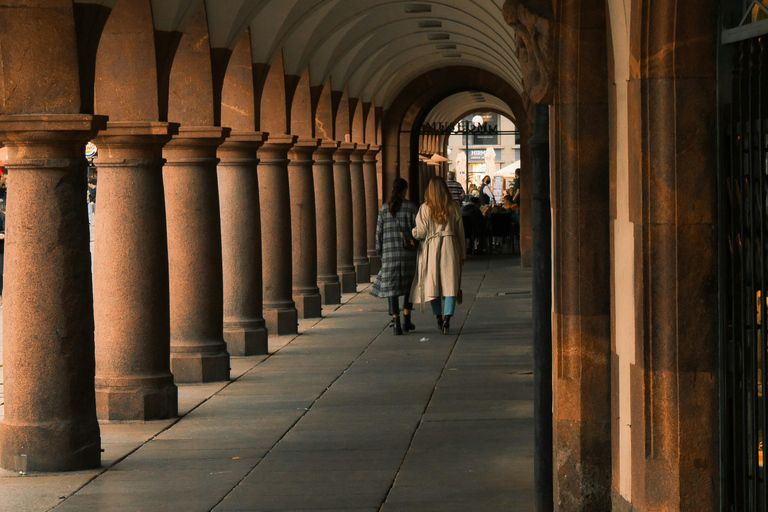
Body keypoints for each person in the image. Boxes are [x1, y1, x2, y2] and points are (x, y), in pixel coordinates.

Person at [410, 176, 465, 335]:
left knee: (432, 283)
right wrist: (462, 253)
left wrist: (413, 232)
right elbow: (460, 232)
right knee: (451, 283)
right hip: (450, 247)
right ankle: (448, 319)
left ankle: (439, 318)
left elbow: (420, 233)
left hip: (431, 248)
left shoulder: (425, 208)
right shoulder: (454, 206)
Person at [370, 178, 419, 335]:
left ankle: (396, 321)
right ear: (404, 190)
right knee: (408, 287)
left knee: (392, 288)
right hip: (408, 254)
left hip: (389, 254)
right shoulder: (411, 208)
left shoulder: (385, 209)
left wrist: (380, 251)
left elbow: (379, 233)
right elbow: (417, 231)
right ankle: (407, 319)